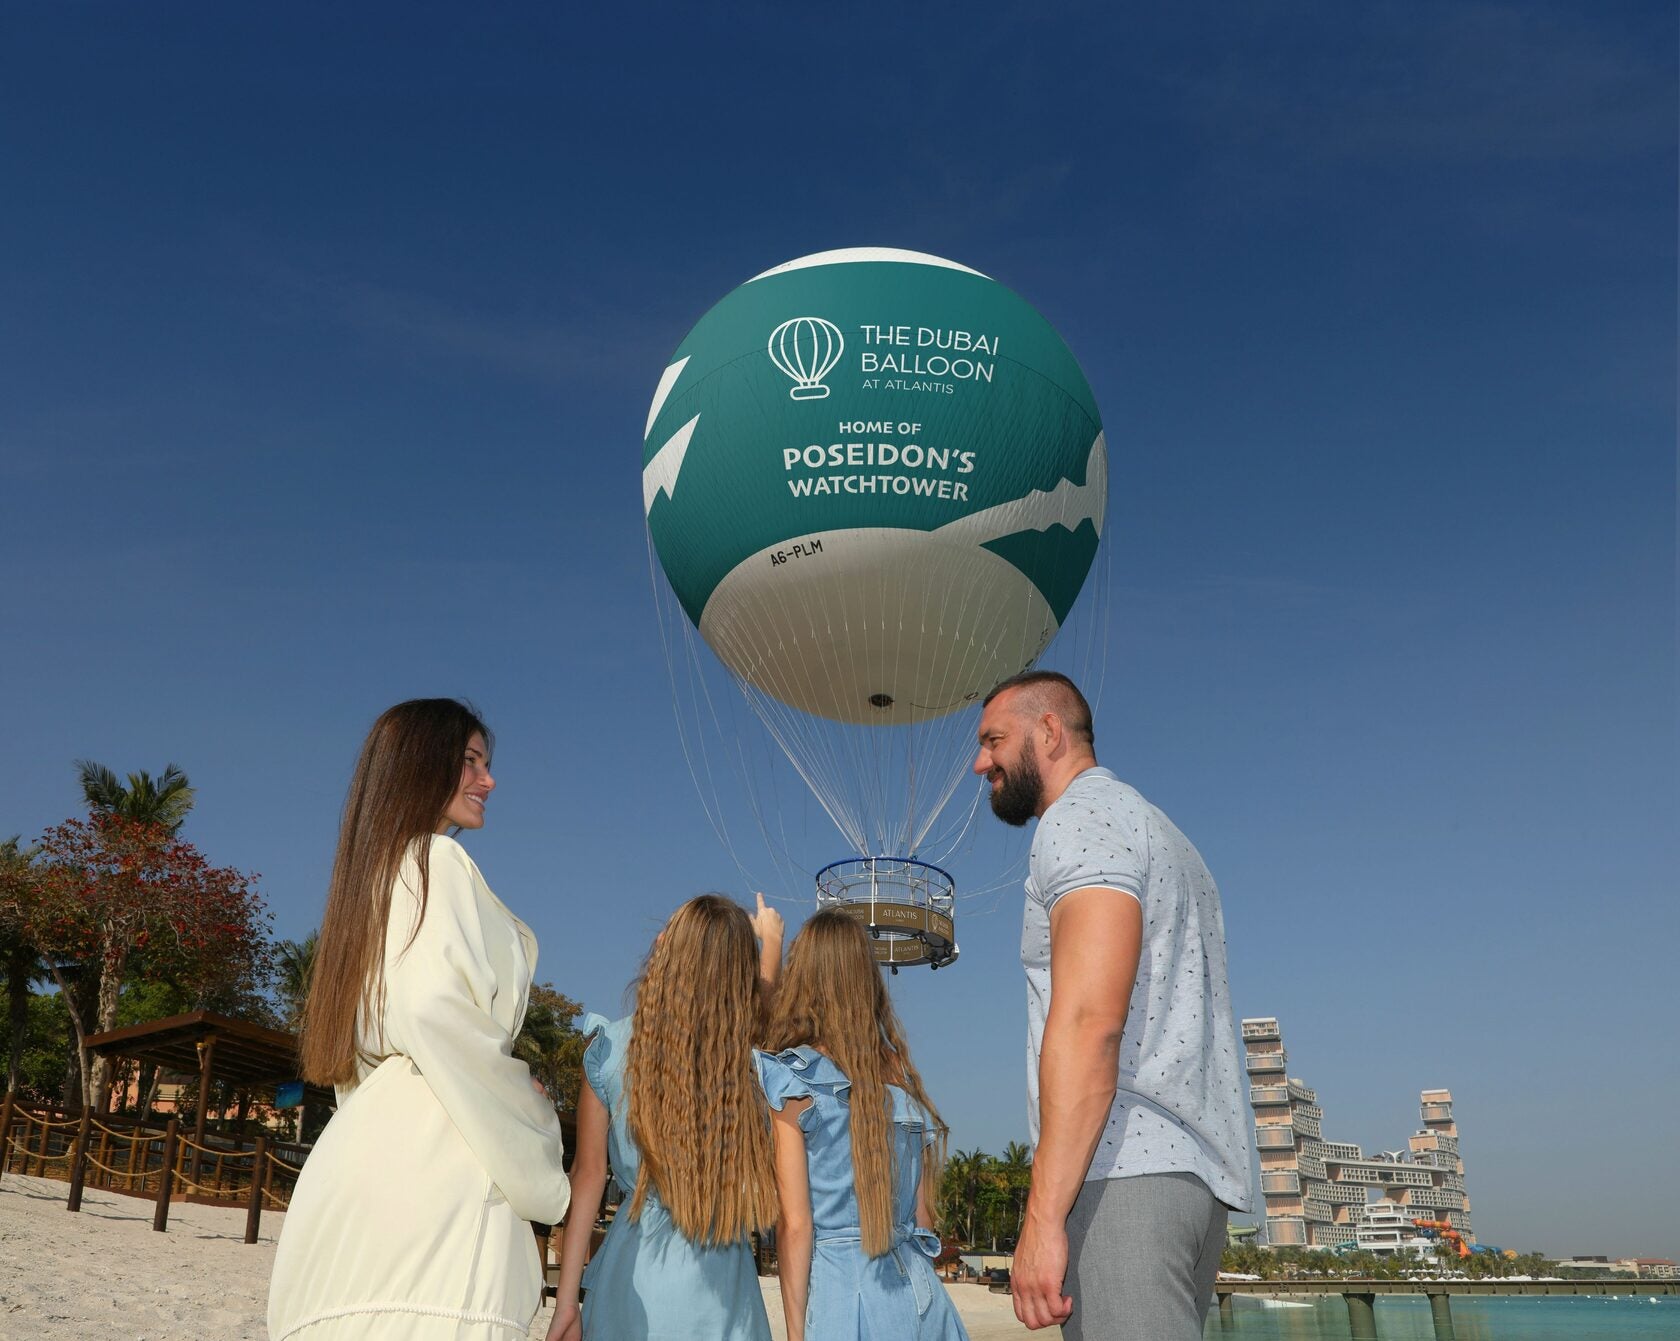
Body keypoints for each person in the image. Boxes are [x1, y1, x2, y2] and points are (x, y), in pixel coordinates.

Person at [268, 699, 570, 1341]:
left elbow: (364, 1056)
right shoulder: (435, 862)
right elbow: (432, 1010)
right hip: (440, 1162)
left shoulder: (366, 889)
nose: (489, 780)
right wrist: (532, 1113)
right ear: (419, 764)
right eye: (471, 761)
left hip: (354, 1173)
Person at [972, 671, 1254, 1341]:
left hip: (1121, 1172)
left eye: (993, 740)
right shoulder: (1165, 834)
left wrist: (1043, 1218)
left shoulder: (1078, 819)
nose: (980, 763)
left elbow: (1089, 1021)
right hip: (1191, 1181)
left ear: (1049, 731)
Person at [548, 893, 784, 1341]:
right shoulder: (746, 1061)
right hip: (722, 1283)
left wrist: (565, 1302)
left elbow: (588, 1176)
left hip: (633, 1274)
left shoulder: (610, 1050)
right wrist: (770, 942)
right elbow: (764, 1005)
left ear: (668, 951)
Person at [758, 909, 967, 1341]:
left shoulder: (794, 1079)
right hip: (920, 1296)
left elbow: (796, 1226)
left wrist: (795, 1332)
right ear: (867, 981)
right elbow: (922, 1216)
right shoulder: (898, 1076)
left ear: (803, 978)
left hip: (842, 1299)